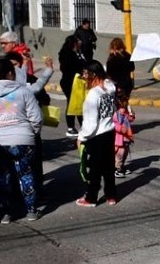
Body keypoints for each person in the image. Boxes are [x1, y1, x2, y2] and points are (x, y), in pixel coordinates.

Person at [0, 59, 43, 223]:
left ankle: (7, 212)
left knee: (2, 176)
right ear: (10, 73)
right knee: (25, 173)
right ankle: (31, 210)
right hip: (22, 138)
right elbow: (36, 117)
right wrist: (31, 133)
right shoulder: (23, 92)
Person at [74, 61, 117, 207]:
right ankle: (111, 195)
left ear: (93, 74)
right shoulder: (109, 89)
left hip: (96, 136)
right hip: (109, 132)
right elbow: (109, 82)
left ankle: (91, 198)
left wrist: (81, 137)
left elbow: (90, 123)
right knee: (109, 167)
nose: (84, 77)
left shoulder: (93, 95)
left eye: (86, 74)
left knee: (94, 169)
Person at [58, 35, 87, 137]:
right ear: (74, 43)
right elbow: (76, 66)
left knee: (77, 103)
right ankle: (71, 127)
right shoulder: (68, 54)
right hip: (70, 82)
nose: (80, 43)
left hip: (75, 82)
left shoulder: (77, 53)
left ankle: (81, 125)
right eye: (79, 41)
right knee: (73, 104)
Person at [113, 96, 135, 178]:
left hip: (126, 137)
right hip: (119, 138)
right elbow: (114, 124)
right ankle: (117, 168)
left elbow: (130, 119)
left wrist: (131, 113)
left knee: (125, 153)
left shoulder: (125, 112)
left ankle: (121, 166)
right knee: (119, 154)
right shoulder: (115, 114)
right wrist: (120, 128)